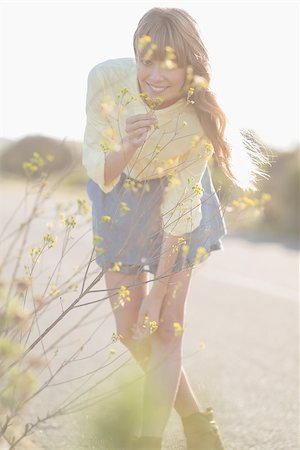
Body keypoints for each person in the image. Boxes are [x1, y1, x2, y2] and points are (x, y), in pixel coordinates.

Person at [82, 7, 268, 450]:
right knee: (130, 329)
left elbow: (181, 207)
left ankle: (147, 442)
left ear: (191, 65)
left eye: (170, 63)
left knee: (166, 328)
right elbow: (96, 166)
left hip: (177, 203)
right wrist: (127, 146)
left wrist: (160, 297)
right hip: (119, 192)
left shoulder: (197, 121)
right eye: (146, 61)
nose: (155, 75)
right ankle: (195, 419)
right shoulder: (106, 79)